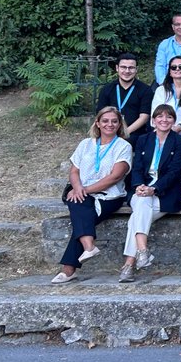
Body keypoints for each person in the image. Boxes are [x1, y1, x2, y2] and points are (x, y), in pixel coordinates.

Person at [50, 107, 133, 285]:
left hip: (109, 195)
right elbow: (74, 171)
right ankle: (88, 247)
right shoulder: (86, 144)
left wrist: (83, 190)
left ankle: (69, 269)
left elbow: (115, 176)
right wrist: (78, 187)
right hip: (84, 192)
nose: (109, 124)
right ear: (97, 123)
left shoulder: (123, 146)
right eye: (105, 121)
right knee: (79, 205)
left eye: (114, 121)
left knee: (79, 210)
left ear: (119, 124)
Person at [118, 104, 181, 282]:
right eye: (160, 116)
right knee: (141, 203)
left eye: (168, 117)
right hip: (142, 191)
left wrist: (154, 189)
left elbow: (175, 172)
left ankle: (130, 263)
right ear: (153, 120)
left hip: (165, 194)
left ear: (174, 120)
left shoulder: (180, 142)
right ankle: (141, 252)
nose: (164, 120)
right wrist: (138, 186)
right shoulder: (143, 139)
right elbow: (137, 168)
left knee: (136, 217)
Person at [96, 54, 152, 138]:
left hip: (135, 134)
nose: (127, 71)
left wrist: (125, 133)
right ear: (117, 68)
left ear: (136, 69)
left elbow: (144, 117)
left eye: (131, 68)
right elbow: (101, 115)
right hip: (110, 132)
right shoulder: (107, 89)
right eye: (123, 67)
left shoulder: (145, 90)